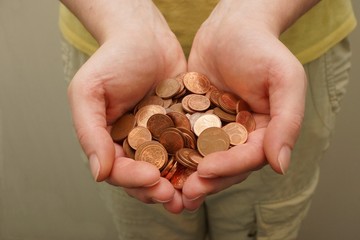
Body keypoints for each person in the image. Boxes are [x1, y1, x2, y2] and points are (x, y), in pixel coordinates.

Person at [59, 0, 356, 239]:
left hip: (281, 49)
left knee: (265, 222)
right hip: (112, 50)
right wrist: (120, 16)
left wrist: (260, 11)